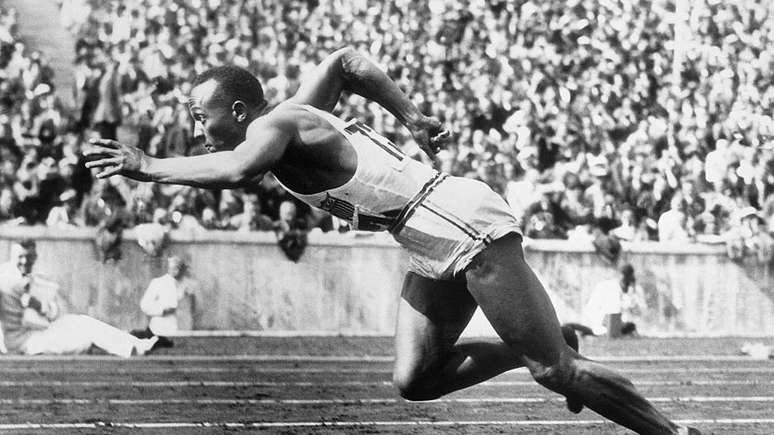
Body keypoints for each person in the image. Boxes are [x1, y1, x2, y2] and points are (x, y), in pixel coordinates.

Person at [85, 47, 699, 434]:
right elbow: (347, 64)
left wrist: (146, 164)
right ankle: (534, 343)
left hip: (456, 221)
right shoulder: (296, 113)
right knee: (416, 378)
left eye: (201, 115)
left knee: (557, 372)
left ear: (241, 110)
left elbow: (238, 170)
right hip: (424, 236)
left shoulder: (273, 125)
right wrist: (411, 116)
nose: (196, 127)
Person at [0, 239, 157, 357]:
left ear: (35, 257)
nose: (24, 261)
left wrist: (39, 305)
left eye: (29, 257)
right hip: (24, 342)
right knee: (85, 334)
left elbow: (54, 312)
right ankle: (135, 348)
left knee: (80, 321)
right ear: (12, 257)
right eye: (20, 257)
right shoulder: (5, 279)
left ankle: (135, 345)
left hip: (41, 332)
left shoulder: (35, 279)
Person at [131, 255, 195, 349]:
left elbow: (196, 308)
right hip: (161, 329)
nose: (175, 270)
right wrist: (162, 310)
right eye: (172, 268)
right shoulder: (158, 283)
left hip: (183, 331)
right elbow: (144, 305)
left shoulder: (189, 285)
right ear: (168, 268)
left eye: (178, 268)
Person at [578, 263, 643, 338]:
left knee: (629, 327)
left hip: (619, 326)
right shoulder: (608, 288)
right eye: (625, 280)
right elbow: (594, 311)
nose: (626, 284)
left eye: (629, 280)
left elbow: (637, 312)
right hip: (601, 323)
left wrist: (631, 294)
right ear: (620, 276)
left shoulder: (634, 290)